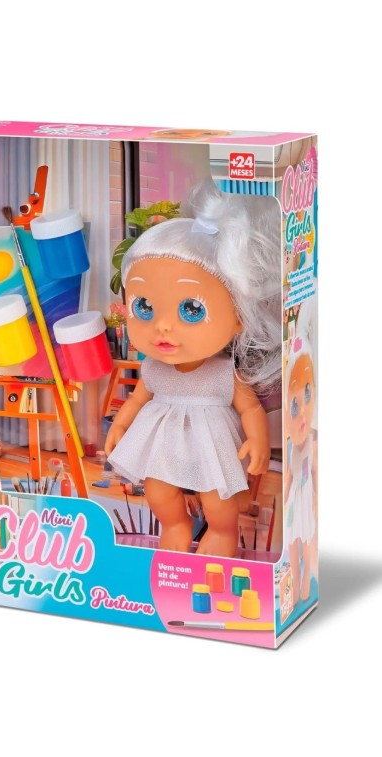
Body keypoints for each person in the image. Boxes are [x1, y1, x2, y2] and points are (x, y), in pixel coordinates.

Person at [105, 183, 282, 557]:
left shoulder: (224, 373)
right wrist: (120, 425)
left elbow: (250, 407)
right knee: (158, 492)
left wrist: (258, 440)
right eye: (144, 308)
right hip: (164, 446)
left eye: (191, 310)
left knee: (218, 500)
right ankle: (176, 526)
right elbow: (136, 401)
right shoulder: (154, 368)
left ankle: (220, 534)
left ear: (240, 317)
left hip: (212, 448)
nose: (162, 327)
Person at [284, 336, 317, 604]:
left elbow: (315, 473)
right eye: (295, 406)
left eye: (308, 394)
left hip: (306, 496)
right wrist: (285, 500)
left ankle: (305, 580)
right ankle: (295, 581)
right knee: (292, 540)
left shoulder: (312, 442)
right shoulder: (290, 446)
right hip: (295, 497)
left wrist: (317, 501)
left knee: (306, 539)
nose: (303, 413)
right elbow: (288, 477)